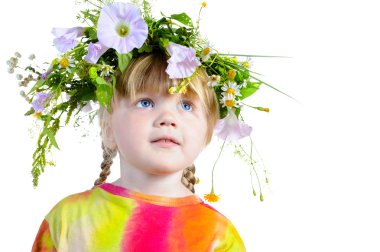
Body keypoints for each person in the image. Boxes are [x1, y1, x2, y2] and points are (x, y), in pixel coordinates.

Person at [31, 52, 246, 251]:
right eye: (145, 102)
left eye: (186, 106)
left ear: (207, 133)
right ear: (108, 128)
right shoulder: (68, 218)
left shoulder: (217, 235)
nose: (168, 118)